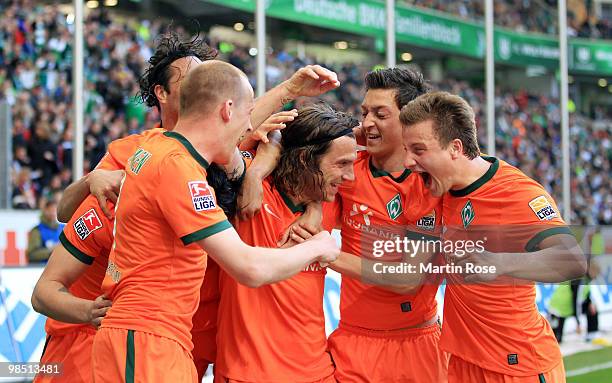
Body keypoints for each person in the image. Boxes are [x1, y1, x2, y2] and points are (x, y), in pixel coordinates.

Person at [33, 30, 339, 383]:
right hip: (135, 335)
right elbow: (248, 267)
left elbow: (238, 128)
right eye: (246, 115)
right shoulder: (156, 163)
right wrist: (318, 247)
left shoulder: (174, 157)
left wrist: (258, 169)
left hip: (178, 334)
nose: (250, 128)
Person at [400, 91, 587, 383]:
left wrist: (497, 262)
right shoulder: (440, 185)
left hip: (516, 365)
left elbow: (572, 260)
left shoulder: (516, 193)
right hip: (463, 363)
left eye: (418, 149)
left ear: (455, 148)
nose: (408, 160)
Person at [215, 104, 357, 382]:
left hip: (318, 372)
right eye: (341, 165)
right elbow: (214, 138)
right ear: (305, 159)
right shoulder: (250, 194)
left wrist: (315, 206)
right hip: (250, 374)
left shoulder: (331, 200)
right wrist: (255, 172)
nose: (350, 176)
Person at [323, 68, 447, 382]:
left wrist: (327, 254)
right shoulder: (348, 170)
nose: (366, 123)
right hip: (355, 344)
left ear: (409, 119)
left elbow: (408, 278)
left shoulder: (428, 185)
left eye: (380, 114)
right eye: (364, 113)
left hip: (417, 347)